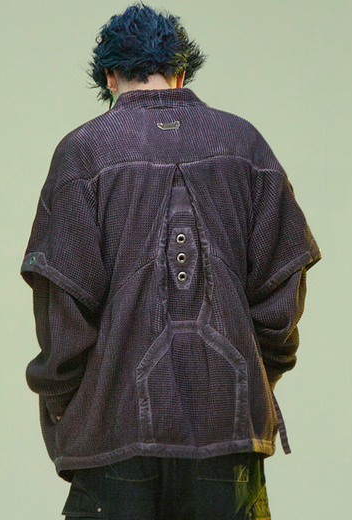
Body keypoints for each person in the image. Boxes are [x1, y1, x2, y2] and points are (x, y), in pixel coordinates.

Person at [20, 3, 322, 519]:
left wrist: (71, 406)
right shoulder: (245, 144)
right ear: (181, 72)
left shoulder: (83, 151)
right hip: (228, 432)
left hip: (113, 438)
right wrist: (247, 378)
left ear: (109, 77)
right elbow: (281, 297)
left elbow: (62, 311)